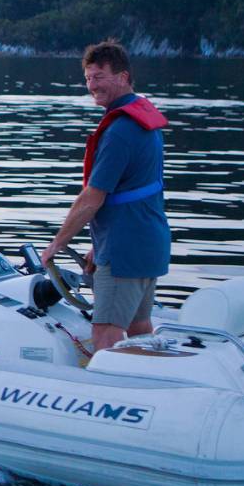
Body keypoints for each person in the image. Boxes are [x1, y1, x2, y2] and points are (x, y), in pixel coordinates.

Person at [40, 40, 170, 353]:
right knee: (139, 327)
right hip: (148, 242)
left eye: (99, 76)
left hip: (125, 250)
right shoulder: (142, 122)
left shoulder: (121, 131)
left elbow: (92, 198)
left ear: (124, 77)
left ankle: (114, 397)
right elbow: (131, 193)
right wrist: (99, 247)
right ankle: (149, 387)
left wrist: (57, 244)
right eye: (88, 78)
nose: (92, 85)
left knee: (105, 333)